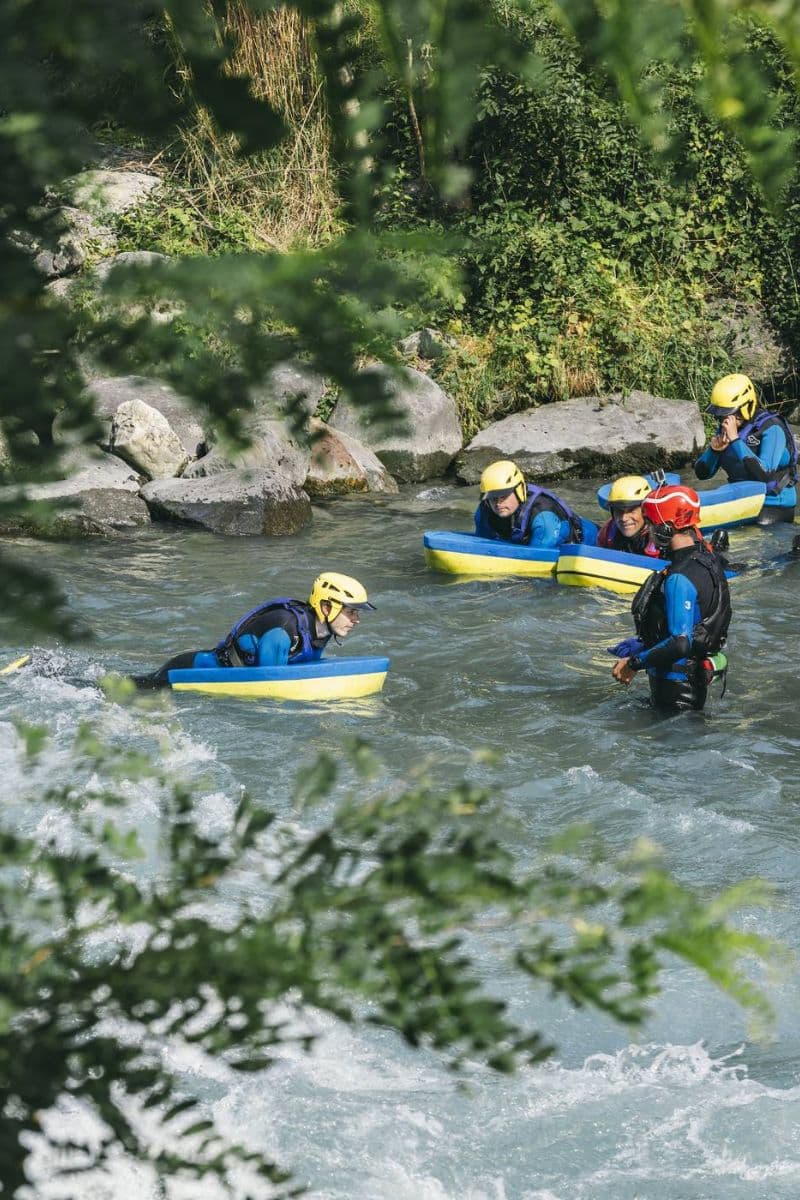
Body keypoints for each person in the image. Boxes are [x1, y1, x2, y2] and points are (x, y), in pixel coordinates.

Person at [130, 571, 375, 689]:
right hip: (186, 670)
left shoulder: (322, 630)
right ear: (325, 606)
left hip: (207, 673)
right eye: (351, 611)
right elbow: (267, 687)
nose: (356, 619)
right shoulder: (284, 631)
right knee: (132, 689)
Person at [611, 484, 731, 711]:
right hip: (692, 686)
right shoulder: (707, 559)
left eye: (652, 524)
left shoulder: (679, 578)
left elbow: (680, 642)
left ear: (666, 528)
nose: (649, 531)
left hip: (676, 695)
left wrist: (633, 664)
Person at [694, 373, 797, 524]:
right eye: (720, 415)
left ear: (746, 407)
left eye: (727, 414)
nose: (723, 420)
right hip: (741, 503)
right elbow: (702, 474)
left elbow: (765, 474)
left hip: (772, 504)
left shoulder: (772, 428)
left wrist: (735, 440)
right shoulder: (727, 428)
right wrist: (714, 451)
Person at [474, 460, 598, 549]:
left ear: (519, 491)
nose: (498, 503)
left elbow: (535, 562)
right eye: (492, 498)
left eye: (504, 496)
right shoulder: (484, 511)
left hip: (593, 540)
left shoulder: (543, 518)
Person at [597, 475, 661, 557]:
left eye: (631, 510)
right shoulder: (607, 532)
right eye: (619, 511)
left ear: (646, 511)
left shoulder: (662, 536)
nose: (624, 518)